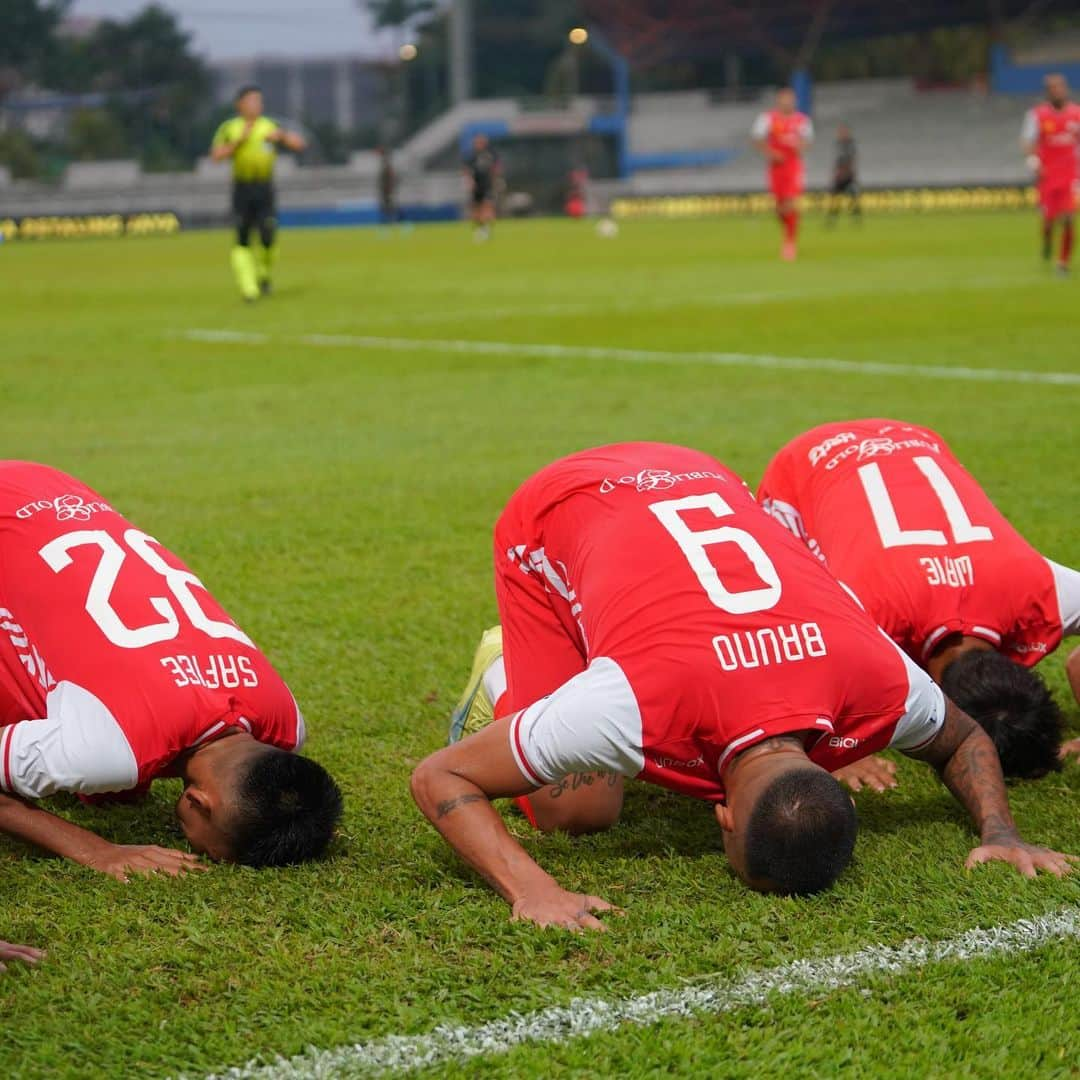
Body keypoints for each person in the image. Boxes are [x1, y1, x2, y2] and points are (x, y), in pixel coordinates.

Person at [411, 443, 1071, 931]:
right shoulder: (627, 705)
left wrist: (1002, 831)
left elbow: (961, 736)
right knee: (575, 815)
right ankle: (505, 663)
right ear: (722, 817)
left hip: (698, 471)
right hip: (560, 505)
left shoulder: (877, 671)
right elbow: (440, 778)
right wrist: (531, 889)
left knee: (589, 784)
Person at [0, 462, 342, 879]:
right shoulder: (109, 749)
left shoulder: (286, 718)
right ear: (198, 802)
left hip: (49, 491)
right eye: (208, 849)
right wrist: (96, 850)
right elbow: (115, 744)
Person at [758, 419, 1080, 788]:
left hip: (912, 437)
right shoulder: (861, 613)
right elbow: (780, 655)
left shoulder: (1034, 584)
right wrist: (829, 754)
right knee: (789, 582)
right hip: (805, 466)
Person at [210, 85, 306, 301]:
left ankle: (263, 274)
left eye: (259, 101)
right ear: (240, 105)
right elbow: (216, 155)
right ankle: (248, 288)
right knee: (242, 237)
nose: (256, 105)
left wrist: (281, 137)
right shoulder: (230, 128)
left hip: (265, 188)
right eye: (252, 101)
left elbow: (299, 144)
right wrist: (239, 142)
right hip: (242, 188)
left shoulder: (269, 126)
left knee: (268, 236)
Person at [1020, 73, 1080, 276]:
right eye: (1053, 88)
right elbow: (1028, 142)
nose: (1058, 91)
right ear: (1048, 92)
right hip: (1047, 176)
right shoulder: (1037, 115)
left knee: (1069, 218)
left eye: (1060, 87)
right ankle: (1047, 241)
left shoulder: (1077, 114)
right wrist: (1033, 162)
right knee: (1048, 219)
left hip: (1071, 176)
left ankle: (1062, 263)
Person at [752, 87, 813, 261]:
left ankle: (789, 243)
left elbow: (807, 142)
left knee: (790, 202)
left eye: (790, 99)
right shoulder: (768, 118)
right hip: (775, 167)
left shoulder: (802, 120)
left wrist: (800, 147)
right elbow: (757, 139)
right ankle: (788, 231)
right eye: (784, 99)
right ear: (778, 101)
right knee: (779, 207)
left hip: (793, 165)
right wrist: (770, 153)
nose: (787, 102)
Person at [463, 133, 499, 241]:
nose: (479, 144)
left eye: (481, 141)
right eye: (477, 142)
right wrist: (469, 182)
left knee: (487, 206)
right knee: (476, 208)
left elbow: (495, 169)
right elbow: (466, 170)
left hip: (487, 185)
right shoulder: (471, 155)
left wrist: (496, 181)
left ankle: (486, 228)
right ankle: (479, 229)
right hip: (476, 186)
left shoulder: (491, 154)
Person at [826, 123, 861, 225]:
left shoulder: (850, 144)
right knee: (835, 198)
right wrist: (834, 174)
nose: (841, 134)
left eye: (843, 132)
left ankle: (856, 218)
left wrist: (847, 172)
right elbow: (836, 161)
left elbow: (852, 160)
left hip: (848, 176)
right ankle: (832, 219)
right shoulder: (838, 144)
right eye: (840, 132)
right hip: (839, 176)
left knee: (853, 197)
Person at [377, 146, 399, 226]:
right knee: (386, 206)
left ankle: (392, 221)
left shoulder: (388, 168)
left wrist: (390, 189)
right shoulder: (386, 167)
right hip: (385, 190)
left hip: (387, 190)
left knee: (389, 206)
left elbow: (391, 179)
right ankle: (389, 221)